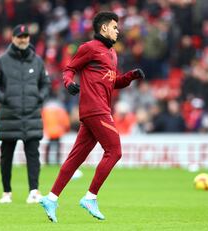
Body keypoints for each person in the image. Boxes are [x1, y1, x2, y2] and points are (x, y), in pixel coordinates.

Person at [40, 12, 145, 222]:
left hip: (96, 110)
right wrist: (69, 83)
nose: (118, 30)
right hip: (95, 109)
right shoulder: (89, 48)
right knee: (114, 151)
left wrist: (130, 77)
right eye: (115, 27)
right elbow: (69, 69)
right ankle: (90, 197)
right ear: (104, 28)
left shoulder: (112, 53)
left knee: (76, 157)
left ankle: (51, 198)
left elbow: (112, 82)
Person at [0, 24, 50, 204]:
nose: (23, 39)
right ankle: (6, 192)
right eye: (20, 37)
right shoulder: (2, 60)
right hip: (9, 115)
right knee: (6, 156)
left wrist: (39, 97)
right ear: (13, 38)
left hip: (32, 114)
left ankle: (34, 191)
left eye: (26, 36)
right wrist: (5, 98)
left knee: (33, 155)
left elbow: (46, 83)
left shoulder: (37, 61)